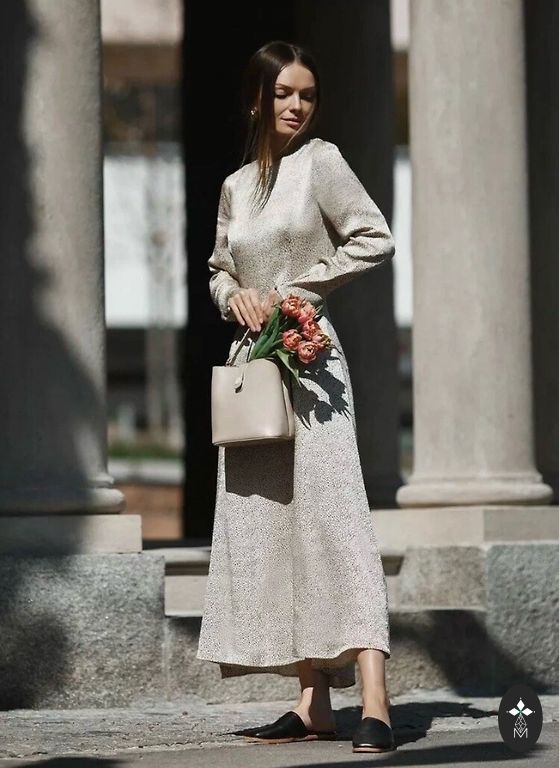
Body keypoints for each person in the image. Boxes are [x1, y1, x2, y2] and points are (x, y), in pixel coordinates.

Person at [196, 40, 397, 755]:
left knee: (337, 518)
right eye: (284, 93)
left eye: (306, 95)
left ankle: (375, 701)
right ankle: (312, 702)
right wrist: (236, 298)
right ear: (258, 98)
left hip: (311, 363)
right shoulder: (234, 186)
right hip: (255, 368)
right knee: (272, 524)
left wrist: (295, 290)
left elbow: (374, 237)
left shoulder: (322, 163)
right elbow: (219, 269)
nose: (297, 106)